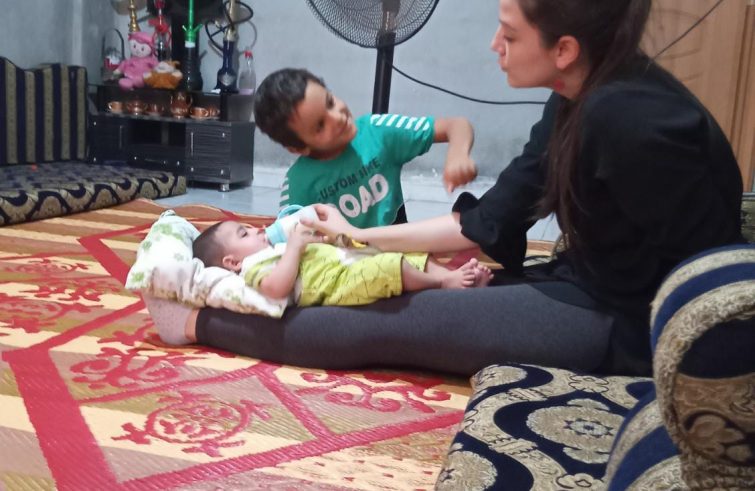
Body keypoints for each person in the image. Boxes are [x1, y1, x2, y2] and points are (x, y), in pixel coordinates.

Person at [146, 0, 744, 377]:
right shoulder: (576, 97)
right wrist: (358, 237)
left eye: (509, 35)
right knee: (410, 285)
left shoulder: (629, 117)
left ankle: (198, 322)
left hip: (628, 321)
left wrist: (362, 239)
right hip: (589, 281)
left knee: (390, 317)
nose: (494, 46)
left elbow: (702, 273)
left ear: (564, 49)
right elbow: (486, 220)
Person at [253, 68, 477, 226]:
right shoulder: (298, 183)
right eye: (320, 125)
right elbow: (287, 239)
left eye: (330, 102)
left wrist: (458, 155)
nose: (337, 118)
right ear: (298, 148)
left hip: (400, 251)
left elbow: (456, 125)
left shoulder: (378, 131)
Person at [191, 220, 492, 308]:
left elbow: (314, 249)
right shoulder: (252, 268)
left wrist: (327, 238)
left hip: (344, 262)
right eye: (244, 234)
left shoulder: (273, 249)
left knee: (413, 254)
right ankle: (444, 283)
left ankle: (456, 279)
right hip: (337, 284)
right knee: (392, 266)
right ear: (232, 261)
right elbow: (276, 288)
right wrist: (294, 247)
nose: (257, 229)